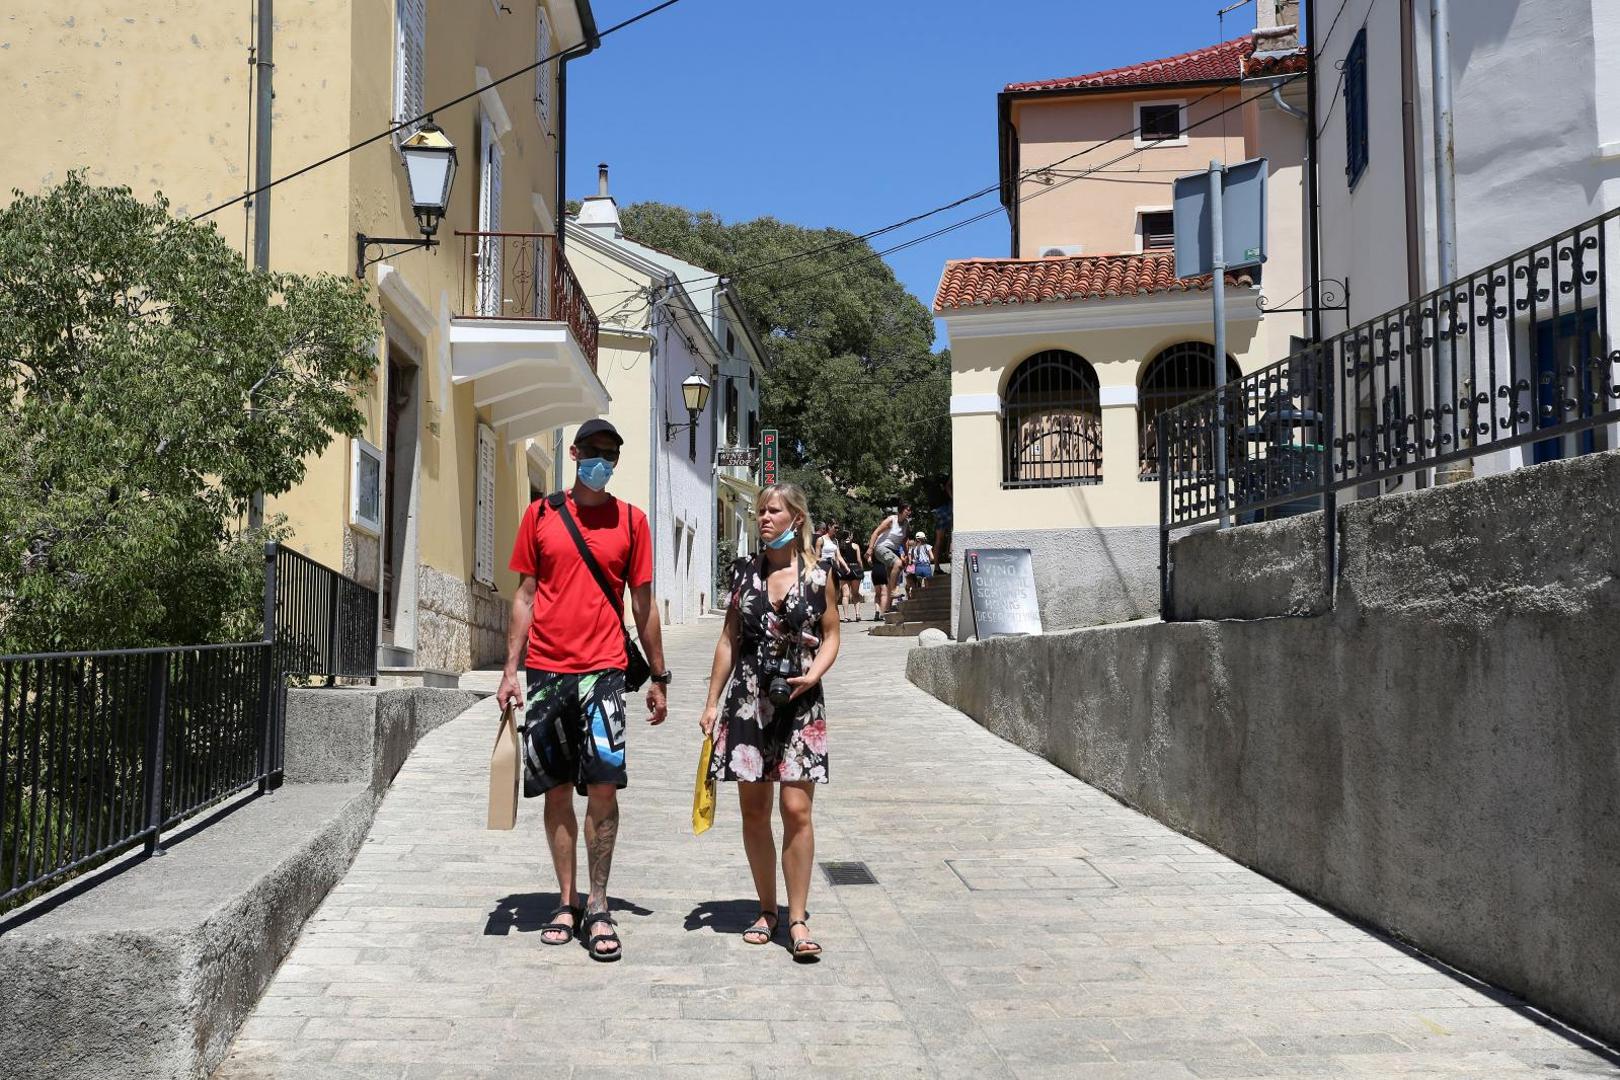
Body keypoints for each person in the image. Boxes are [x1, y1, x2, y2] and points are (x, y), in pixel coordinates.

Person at [496, 418, 671, 963]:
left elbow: (642, 606)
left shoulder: (632, 522)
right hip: (547, 673)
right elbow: (525, 595)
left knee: (603, 789)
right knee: (554, 792)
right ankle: (565, 902)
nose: (603, 462)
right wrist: (509, 669)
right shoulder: (541, 514)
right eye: (594, 451)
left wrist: (660, 677)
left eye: (611, 455)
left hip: (605, 673)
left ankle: (597, 905)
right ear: (573, 453)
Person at [699, 483, 841, 961]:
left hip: (801, 703)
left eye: (773, 510)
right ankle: (767, 909)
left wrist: (812, 675)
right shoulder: (743, 573)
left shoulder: (819, 576)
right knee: (755, 813)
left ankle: (798, 919)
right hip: (748, 702)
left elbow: (831, 636)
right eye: (760, 511)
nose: (763, 518)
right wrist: (712, 701)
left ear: (795, 518)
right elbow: (727, 640)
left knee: (797, 811)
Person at [865, 504, 911, 620]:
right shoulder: (891, 520)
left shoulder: (906, 524)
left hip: (894, 551)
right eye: (907, 510)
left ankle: (886, 611)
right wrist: (870, 549)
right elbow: (875, 533)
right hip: (881, 548)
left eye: (910, 511)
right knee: (898, 564)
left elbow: (905, 540)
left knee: (891, 578)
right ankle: (895, 590)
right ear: (901, 510)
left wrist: (906, 554)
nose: (909, 512)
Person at [836, 529, 864, 621]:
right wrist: (861, 570)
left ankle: (846, 617)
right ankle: (857, 614)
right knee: (855, 593)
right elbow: (859, 560)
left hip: (844, 571)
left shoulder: (839, 546)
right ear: (850, 536)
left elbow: (837, 560)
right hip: (855, 570)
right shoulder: (855, 546)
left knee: (845, 595)